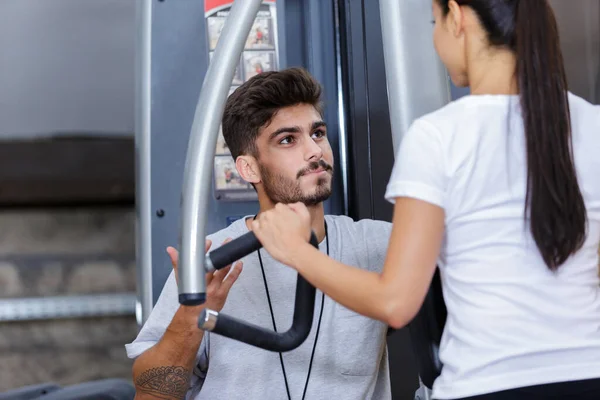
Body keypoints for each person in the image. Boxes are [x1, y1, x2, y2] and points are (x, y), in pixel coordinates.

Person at [250, 1, 600, 400]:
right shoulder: (593, 125)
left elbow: (395, 301)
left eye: (435, 23)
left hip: (488, 384)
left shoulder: (439, 136)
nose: (435, 38)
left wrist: (296, 251)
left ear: (458, 18)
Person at [125, 67, 394, 400]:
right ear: (248, 168)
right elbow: (152, 396)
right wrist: (191, 317)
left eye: (318, 133)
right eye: (287, 140)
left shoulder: (377, 246)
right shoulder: (215, 262)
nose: (315, 151)